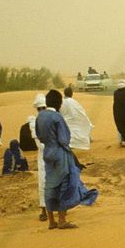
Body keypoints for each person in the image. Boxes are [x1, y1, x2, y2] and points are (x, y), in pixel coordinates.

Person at [35, 89, 98, 229]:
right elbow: (64, 139)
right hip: (60, 153)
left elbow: (40, 136)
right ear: (59, 103)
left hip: (47, 153)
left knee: (49, 185)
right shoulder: (57, 117)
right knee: (65, 184)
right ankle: (62, 220)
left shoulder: (40, 116)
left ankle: (51, 221)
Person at [28, 94, 49, 221]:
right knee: (43, 182)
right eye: (39, 108)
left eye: (43, 108)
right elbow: (40, 146)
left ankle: (57, 209)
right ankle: (44, 210)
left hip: (51, 156)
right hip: (44, 157)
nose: (41, 111)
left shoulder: (53, 119)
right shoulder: (34, 124)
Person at [60, 86, 94, 151]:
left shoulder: (61, 102)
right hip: (72, 121)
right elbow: (81, 112)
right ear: (71, 94)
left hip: (65, 121)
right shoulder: (74, 102)